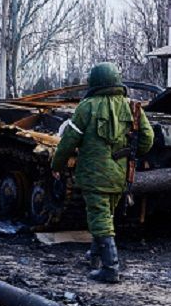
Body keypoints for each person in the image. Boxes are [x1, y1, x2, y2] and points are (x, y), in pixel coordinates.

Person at [50, 62, 154, 283]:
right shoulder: (132, 107)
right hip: (119, 175)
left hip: (93, 174)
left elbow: (68, 141)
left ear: (95, 81)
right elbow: (148, 139)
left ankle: (110, 268)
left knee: (99, 218)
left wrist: (57, 165)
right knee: (105, 215)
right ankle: (95, 255)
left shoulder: (86, 107)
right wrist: (128, 154)